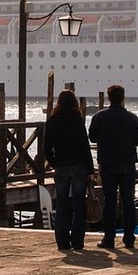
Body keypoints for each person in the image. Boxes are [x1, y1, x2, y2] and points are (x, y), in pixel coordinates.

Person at [88, 84, 138, 250]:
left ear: (108, 97)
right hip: (127, 164)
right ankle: (129, 239)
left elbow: (91, 138)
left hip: (107, 163)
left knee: (110, 202)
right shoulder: (132, 117)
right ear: (123, 97)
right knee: (128, 202)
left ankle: (109, 239)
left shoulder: (99, 117)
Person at [44, 89, 94, 251]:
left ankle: (62, 243)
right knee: (79, 205)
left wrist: (54, 163)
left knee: (62, 205)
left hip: (62, 168)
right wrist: (91, 170)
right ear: (74, 103)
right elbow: (84, 146)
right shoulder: (77, 120)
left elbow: (46, 148)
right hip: (79, 167)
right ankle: (78, 242)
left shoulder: (52, 121)